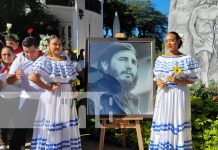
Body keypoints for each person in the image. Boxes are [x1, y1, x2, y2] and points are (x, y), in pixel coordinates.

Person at [149, 31, 200, 149]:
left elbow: (193, 79)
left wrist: (178, 81)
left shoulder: (186, 59)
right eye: (166, 41)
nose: (169, 43)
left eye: (171, 40)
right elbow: (156, 78)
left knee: (179, 119)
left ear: (178, 41)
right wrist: (158, 82)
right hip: (163, 95)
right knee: (162, 120)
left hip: (179, 95)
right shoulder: (160, 59)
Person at [29, 35, 81, 149]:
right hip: (53, 97)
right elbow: (33, 77)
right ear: (48, 45)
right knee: (54, 123)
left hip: (66, 96)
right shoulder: (44, 60)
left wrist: (73, 88)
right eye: (54, 44)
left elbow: (71, 78)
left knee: (66, 123)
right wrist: (49, 88)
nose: (57, 46)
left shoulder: (66, 60)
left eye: (59, 44)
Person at [7, 37, 44, 150]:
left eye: (32, 51)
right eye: (26, 51)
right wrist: (15, 77)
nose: (29, 54)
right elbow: (9, 80)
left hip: (45, 99)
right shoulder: (19, 59)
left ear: (38, 48)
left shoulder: (46, 57)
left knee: (43, 129)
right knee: (20, 129)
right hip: (27, 98)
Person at [88, 42, 139, 115]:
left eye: (134, 62)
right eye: (123, 59)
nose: (130, 66)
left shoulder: (133, 99)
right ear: (105, 64)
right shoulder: (93, 95)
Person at [189, 0, 218, 86]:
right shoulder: (197, 9)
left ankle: (201, 83)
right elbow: (191, 24)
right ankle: (206, 86)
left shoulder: (216, 10)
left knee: (206, 63)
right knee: (205, 62)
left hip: (210, 39)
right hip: (199, 39)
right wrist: (195, 37)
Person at [0, 46, 20, 150]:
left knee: (18, 123)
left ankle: (19, 143)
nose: (6, 56)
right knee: (3, 121)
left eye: (9, 54)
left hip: (18, 98)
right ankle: (3, 143)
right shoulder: (0, 67)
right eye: (4, 54)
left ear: (14, 55)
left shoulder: (19, 67)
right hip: (3, 98)